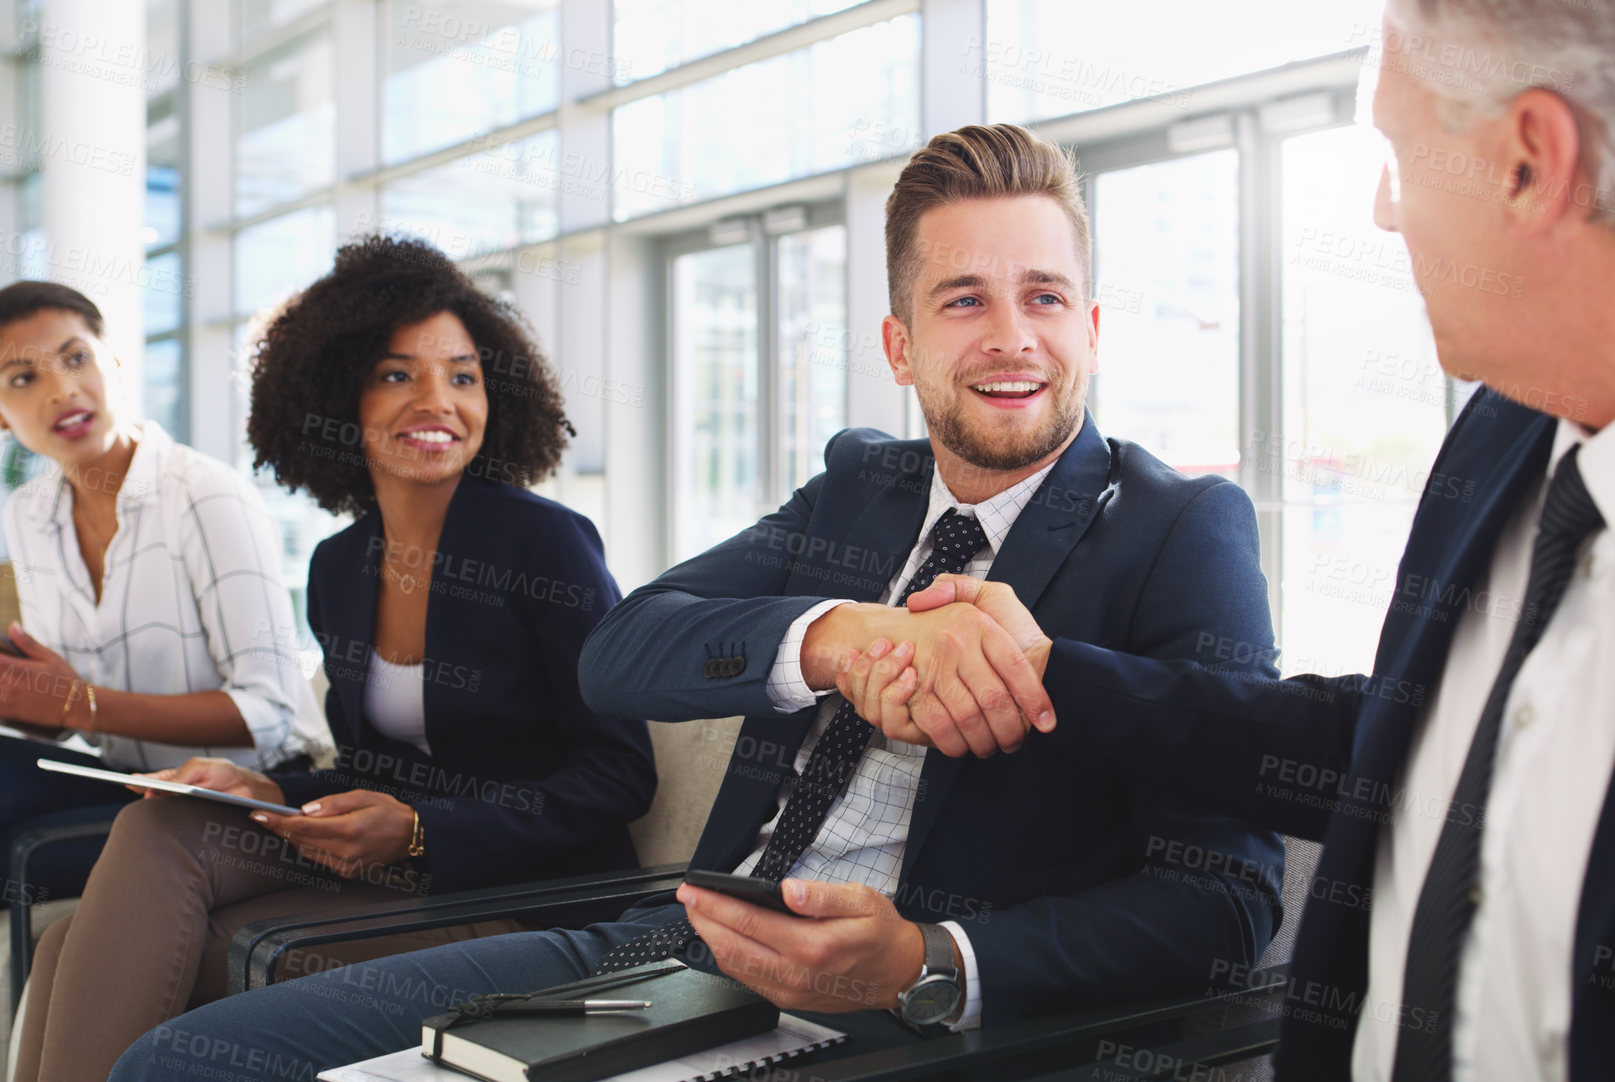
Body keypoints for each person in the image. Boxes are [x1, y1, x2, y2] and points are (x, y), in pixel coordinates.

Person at [108, 122, 1283, 1082]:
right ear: (901, 343)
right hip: (675, 937)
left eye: (1045, 296)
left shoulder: (1181, 528)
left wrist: (935, 955)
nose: (1012, 336)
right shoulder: (857, 488)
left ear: (1090, 324)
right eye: (965, 300)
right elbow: (622, 650)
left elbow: (1228, 898)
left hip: (913, 1014)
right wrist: (830, 635)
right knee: (179, 1065)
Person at [843, 1, 1615, 1078]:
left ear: (1529, 164)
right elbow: (1405, 746)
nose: (1382, 208)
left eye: (1399, 154)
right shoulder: (1509, 425)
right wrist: (1052, 678)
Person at [20, 236, 657, 1082]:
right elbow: (373, 768)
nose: (438, 400)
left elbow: (617, 773)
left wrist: (429, 831)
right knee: (147, 837)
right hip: (399, 870)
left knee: (92, 944)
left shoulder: (543, 542)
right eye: (397, 374)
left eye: (463, 376)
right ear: (336, 394)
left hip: (521, 890)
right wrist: (273, 790)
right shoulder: (339, 565)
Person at [0, 279, 318, 893]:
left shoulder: (204, 493)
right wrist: (26, 698)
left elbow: (271, 712)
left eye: (75, 358)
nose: (63, 390)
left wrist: (78, 703)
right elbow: (64, 716)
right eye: (22, 378)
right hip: (126, 787)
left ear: (114, 361)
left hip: (242, 796)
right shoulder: (28, 513)